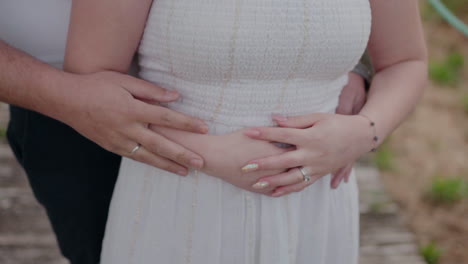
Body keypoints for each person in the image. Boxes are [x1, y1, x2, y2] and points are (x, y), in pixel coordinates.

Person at [0, 1, 368, 264]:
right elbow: (90, 85)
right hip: (65, 109)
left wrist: (344, 74)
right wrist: (205, 153)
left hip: (308, 181)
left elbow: (398, 53)